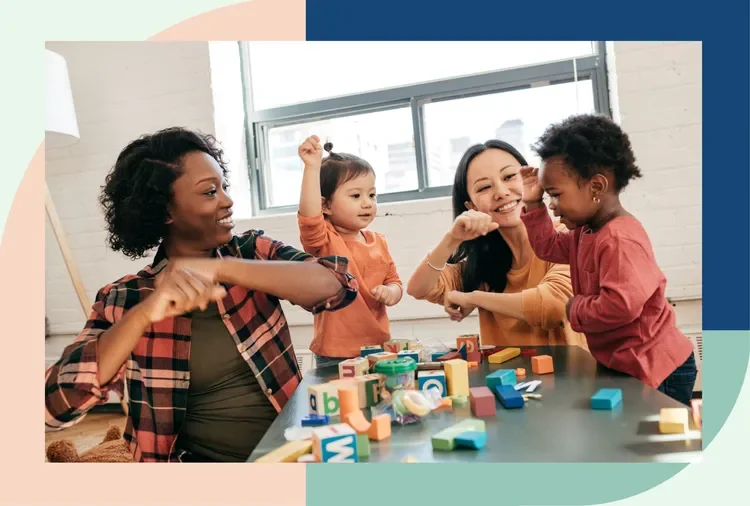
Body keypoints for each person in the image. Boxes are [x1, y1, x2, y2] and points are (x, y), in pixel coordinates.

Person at [45, 127, 358, 462]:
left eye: (224, 186)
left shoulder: (253, 252)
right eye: (210, 192)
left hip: (295, 454)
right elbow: (54, 408)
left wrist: (222, 269)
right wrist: (143, 314)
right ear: (165, 210)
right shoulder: (125, 298)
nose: (227, 200)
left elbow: (338, 286)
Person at [519, 114, 696, 405]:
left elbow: (619, 306)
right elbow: (548, 246)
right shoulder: (585, 231)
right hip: (627, 363)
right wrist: (532, 202)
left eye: (555, 195)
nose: (552, 205)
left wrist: (572, 307)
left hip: (657, 367)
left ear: (596, 187)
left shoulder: (619, 239)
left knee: (656, 442)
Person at [407, 140, 587, 348]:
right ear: (471, 206)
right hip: (507, 381)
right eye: (484, 187)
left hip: (571, 378)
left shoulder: (567, 238)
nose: (501, 192)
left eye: (509, 176)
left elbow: (555, 305)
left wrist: (475, 298)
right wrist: (452, 239)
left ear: (531, 179)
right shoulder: (483, 265)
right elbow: (418, 289)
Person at [297, 136, 403, 367]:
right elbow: (309, 216)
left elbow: (395, 282)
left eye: (372, 195)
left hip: (379, 348)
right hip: (335, 353)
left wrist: (391, 292)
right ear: (325, 205)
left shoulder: (379, 242)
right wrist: (312, 168)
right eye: (356, 196)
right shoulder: (324, 240)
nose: (367, 203)